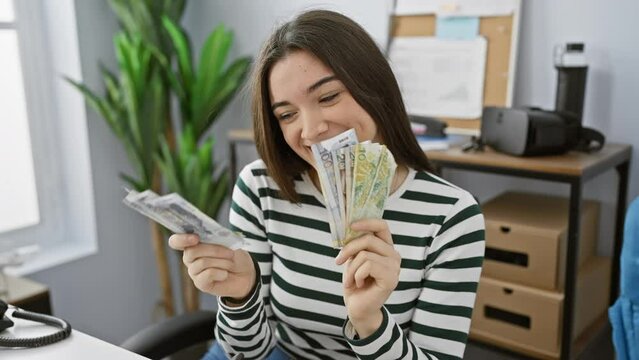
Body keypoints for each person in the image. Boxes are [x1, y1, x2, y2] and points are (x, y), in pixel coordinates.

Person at [169, 9, 485, 360]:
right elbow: (246, 352)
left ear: (373, 87)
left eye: (329, 96)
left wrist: (370, 323)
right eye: (287, 114)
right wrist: (241, 296)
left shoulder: (452, 216)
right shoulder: (261, 188)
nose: (311, 130)